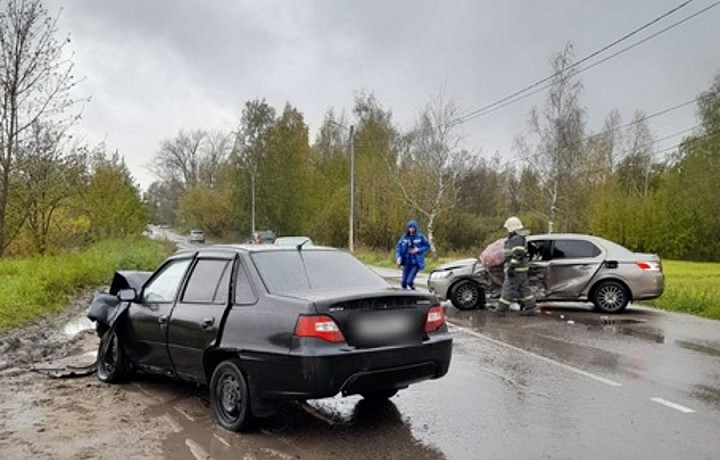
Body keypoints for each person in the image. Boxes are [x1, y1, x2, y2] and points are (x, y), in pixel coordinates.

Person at [492, 216, 538, 316]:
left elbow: (518, 254)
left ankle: (500, 310)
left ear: (511, 228)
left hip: (516, 269)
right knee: (524, 289)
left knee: (508, 289)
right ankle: (531, 308)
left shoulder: (516, 239)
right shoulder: (519, 238)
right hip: (521, 269)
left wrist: (512, 267)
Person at [395, 220, 430, 290]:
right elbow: (398, 247)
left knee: (409, 281)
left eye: (413, 227)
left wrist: (418, 250)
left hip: (416, 262)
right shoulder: (404, 237)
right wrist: (398, 257)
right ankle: (403, 296)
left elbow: (427, 246)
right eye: (410, 227)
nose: (411, 229)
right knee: (403, 282)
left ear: (416, 228)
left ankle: (413, 290)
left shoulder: (420, 237)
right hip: (407, 261)